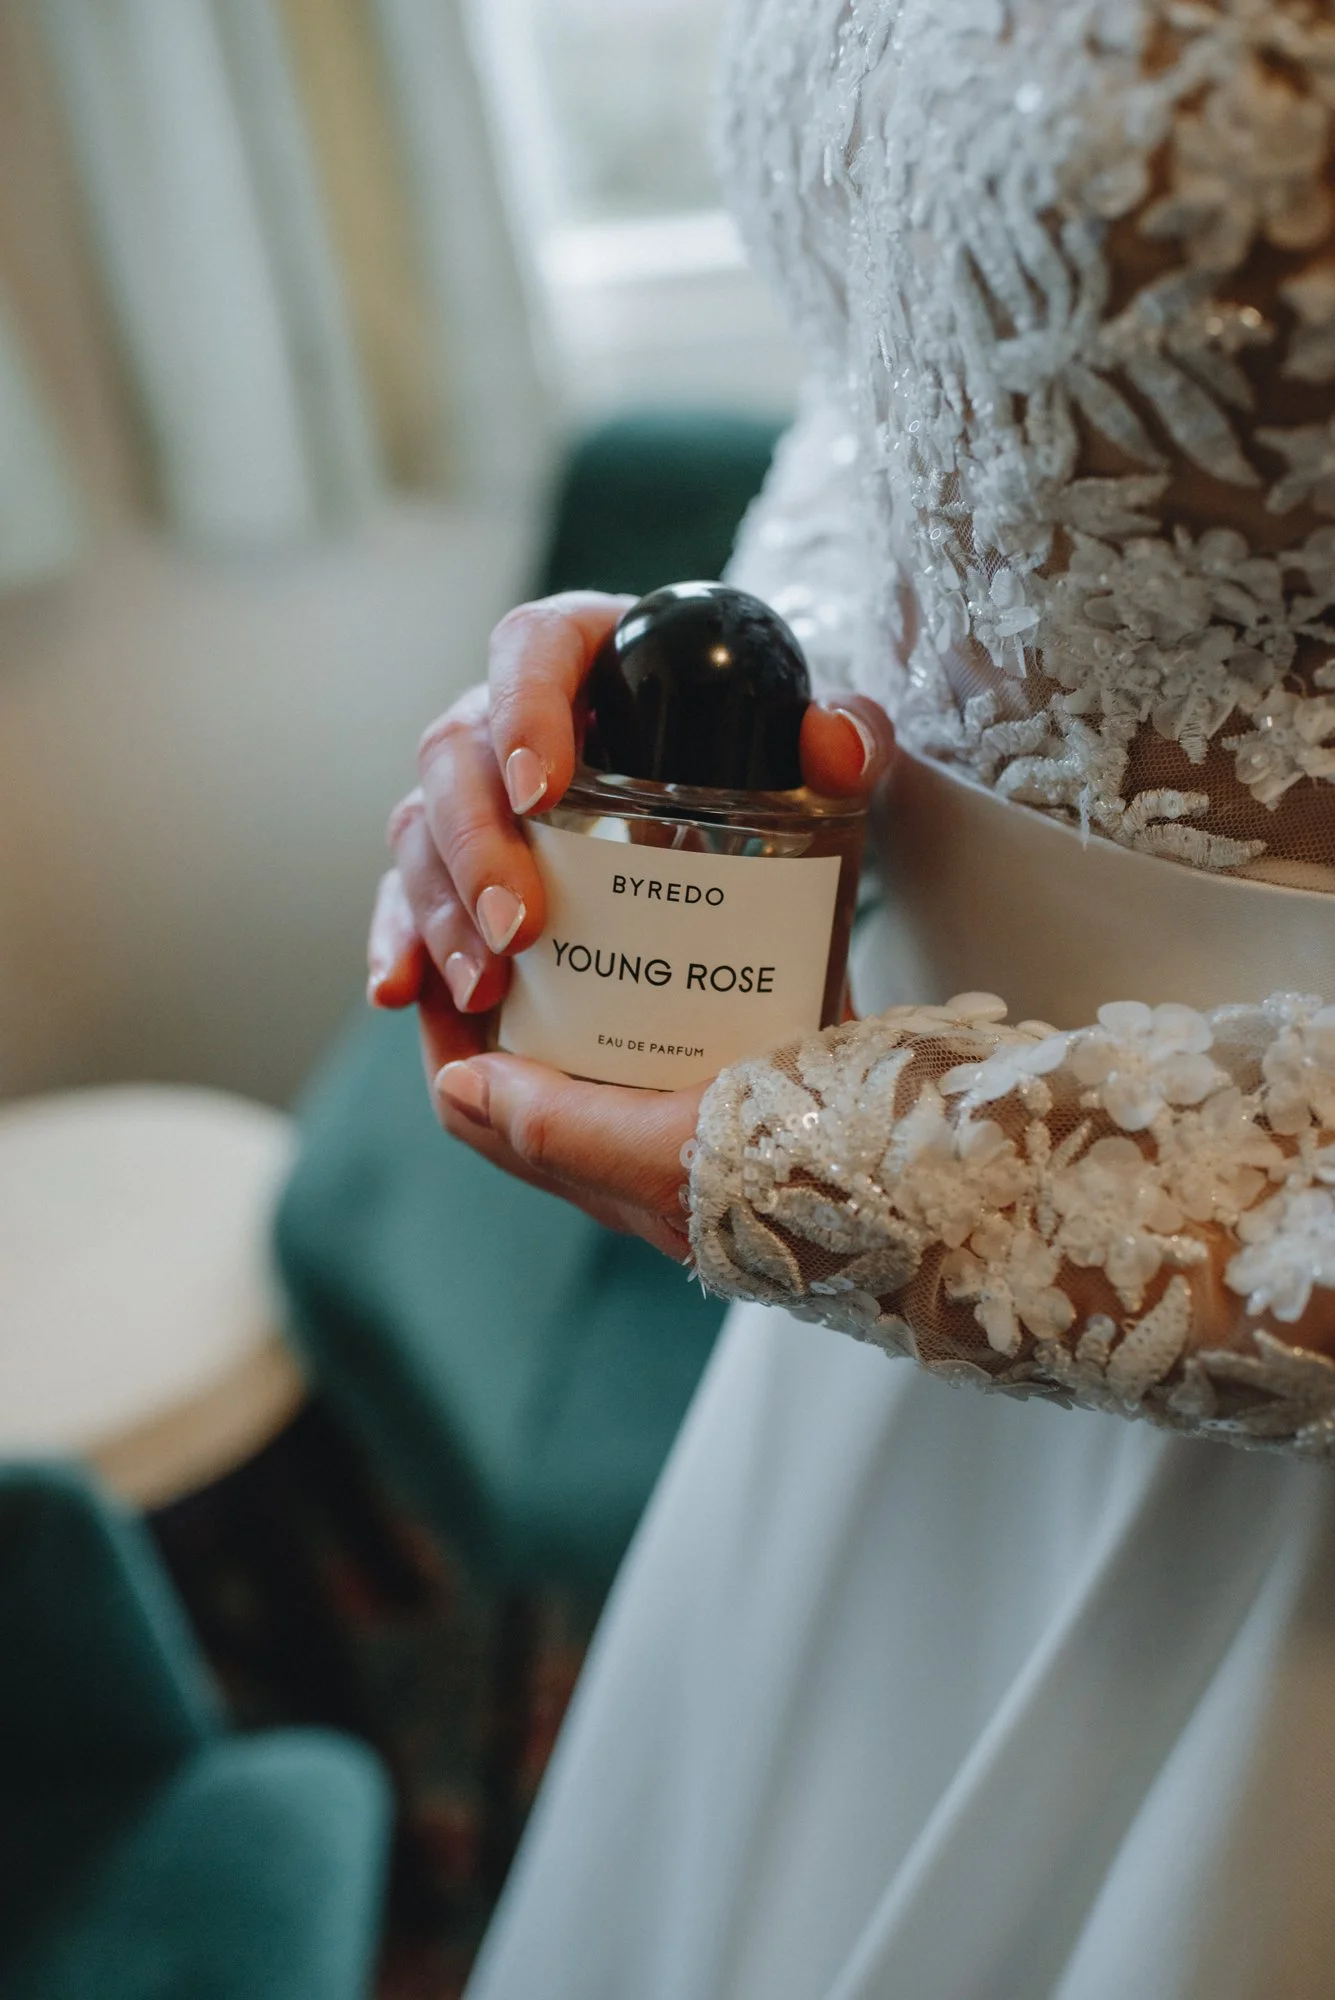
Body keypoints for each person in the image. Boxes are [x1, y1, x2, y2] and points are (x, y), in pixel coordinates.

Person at [368, 2, 1335, 1992]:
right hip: (858, 1278)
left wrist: (921, 1191)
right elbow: (894, 392)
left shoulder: (862, 1185)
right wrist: (717, 712)